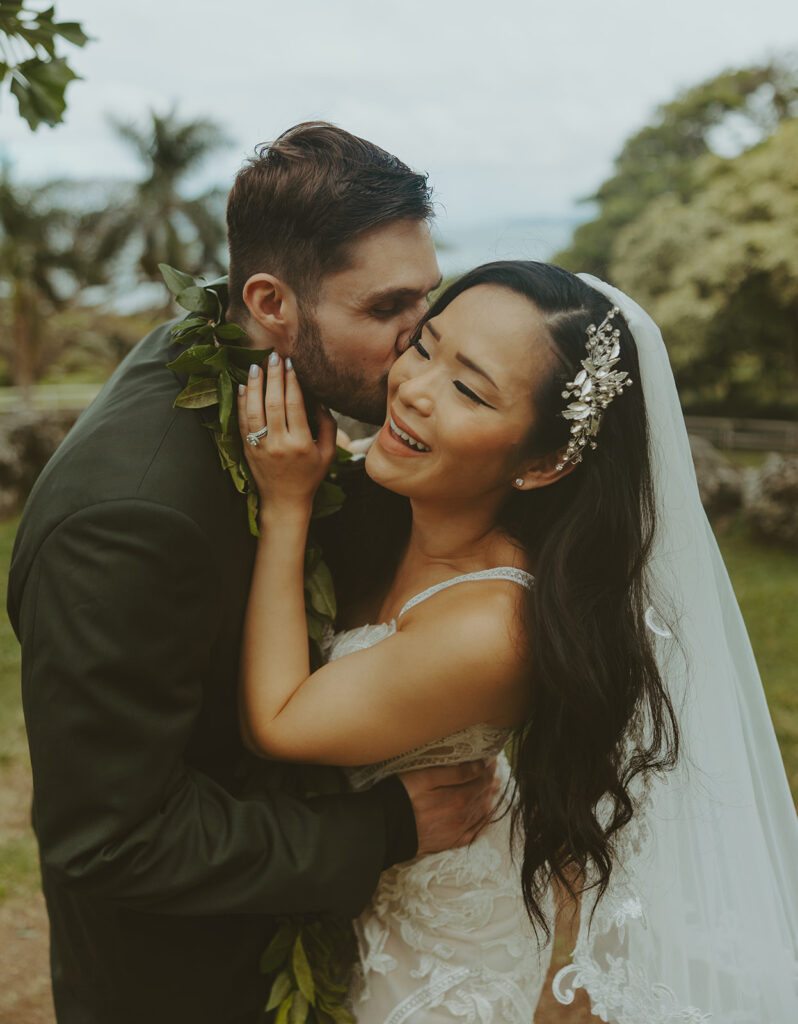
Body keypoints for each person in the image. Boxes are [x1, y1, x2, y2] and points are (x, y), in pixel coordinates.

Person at [5, 123, 499, 1024]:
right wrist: (385, 828)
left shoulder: (270, 400)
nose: (417, 341)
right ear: (271, 303)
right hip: (191, 985)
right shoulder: (129, 523)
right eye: (386, 309)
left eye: (426, 299)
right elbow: (113, 838)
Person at [237, 260, 798, 1022]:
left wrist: (286, 504)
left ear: (543, 463)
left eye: (470, 389)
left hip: (442, 953)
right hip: (373, 894)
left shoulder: (490, 628)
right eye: (425, 345)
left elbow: (278, 720)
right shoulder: (399, 511)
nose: (416, 389)